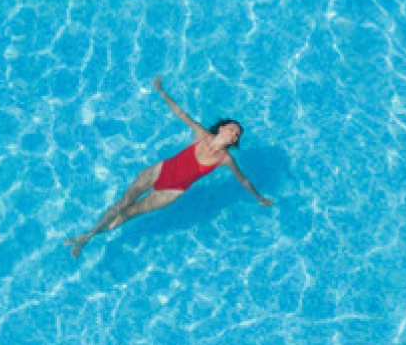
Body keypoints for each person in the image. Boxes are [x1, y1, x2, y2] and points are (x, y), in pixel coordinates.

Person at [67, 76, 271, 258]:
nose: (234, 134)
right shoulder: (201, 135)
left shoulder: (225, 159)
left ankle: (87, 237)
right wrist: (160, 90)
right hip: (158, 171)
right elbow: (181, 114)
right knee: (121, 205)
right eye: (233, 129)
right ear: (222, 128)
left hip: (171, 191)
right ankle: (89, 236)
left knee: (129, 214)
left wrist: (259, 197)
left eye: (237, 135)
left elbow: (242, 179)